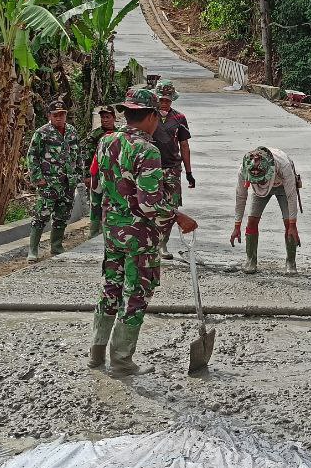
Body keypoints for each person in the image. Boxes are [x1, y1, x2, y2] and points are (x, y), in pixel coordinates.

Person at [90, 86, 197, 375]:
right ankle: (122, 359)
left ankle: (97, 353)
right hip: (139, 235)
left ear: (126, 113)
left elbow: (98, 187)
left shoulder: (106, 142)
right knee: (136, 292)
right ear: (150, 116)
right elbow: (149, 204)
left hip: (112, 230)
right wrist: (177, 215)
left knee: (110, 287)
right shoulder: (147, 150)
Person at [230, 146, 303, 275]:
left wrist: (293, 225)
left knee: (289, 224)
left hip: (282, 187)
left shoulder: (283, 165)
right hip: (258, 189)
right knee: (251, 220)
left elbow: (292, 196)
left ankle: (291, 262)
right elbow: (241, 197)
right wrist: (237, 225)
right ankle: (251, 260)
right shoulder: (244, 170)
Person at [25, 100, 82, 262]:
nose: (59, 118)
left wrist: (78, 176)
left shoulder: (71, 131)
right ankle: (33, 250)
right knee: (41, 215)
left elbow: (78, 155)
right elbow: (32, 156)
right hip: (49, 182)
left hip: (67, 183)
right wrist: (37, 178)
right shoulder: (42, 133)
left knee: (62, 216)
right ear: (49, 116)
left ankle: (56, 247)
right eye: (55, 115)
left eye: (62, 114)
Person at [153, 80, 194, 259]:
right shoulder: (149, 116)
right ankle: (149, 241)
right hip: (150, 168)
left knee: (170, 208)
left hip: (172, 169)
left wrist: (189, 172)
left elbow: (184, 145)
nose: (164, 103)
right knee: (149, 205)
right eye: (161, 100)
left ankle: (163, 244)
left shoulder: (179, 118)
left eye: (167, 101)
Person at [84, 106, 118, 237]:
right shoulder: (94, 135)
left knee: (113, 201)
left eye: (107, 117)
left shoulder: (119, 134)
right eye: (102, 117)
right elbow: (87, 156)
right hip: (97, 174)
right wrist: (87, 176)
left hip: (115, 175)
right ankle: (93, 232)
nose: (105, 120)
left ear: (114, 118)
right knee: (96, 202)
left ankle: (110, 230)